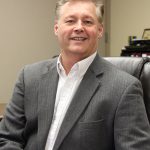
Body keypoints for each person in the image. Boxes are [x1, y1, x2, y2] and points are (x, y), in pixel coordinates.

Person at [0, 0, 150, 149]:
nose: (79, 27)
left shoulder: (124, 88)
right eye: (70, 21)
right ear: (56, 28)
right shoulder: (29, 77)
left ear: (100, 30)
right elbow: (7, 139)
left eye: (88, 21)